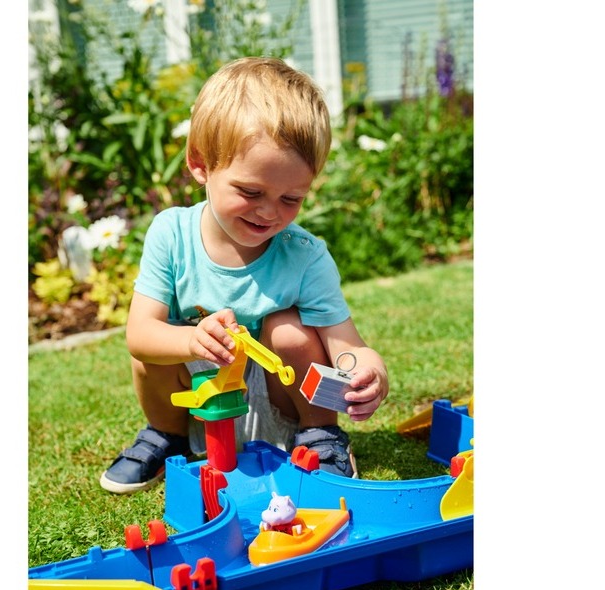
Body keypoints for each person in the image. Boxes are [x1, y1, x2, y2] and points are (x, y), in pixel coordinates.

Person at [100, 57, 389, 494]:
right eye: (251, 192)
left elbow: (345, 346)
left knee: (288, 330)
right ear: (200, 164)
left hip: (281, 402)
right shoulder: (172, 234)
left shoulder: (304, 256)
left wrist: (367, 372)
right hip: (201, 399)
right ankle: (166, 435)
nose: (270, 212)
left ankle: (320, 435)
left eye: (292, 198)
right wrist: (190, 340)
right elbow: (139, 334)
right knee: (154, 350)